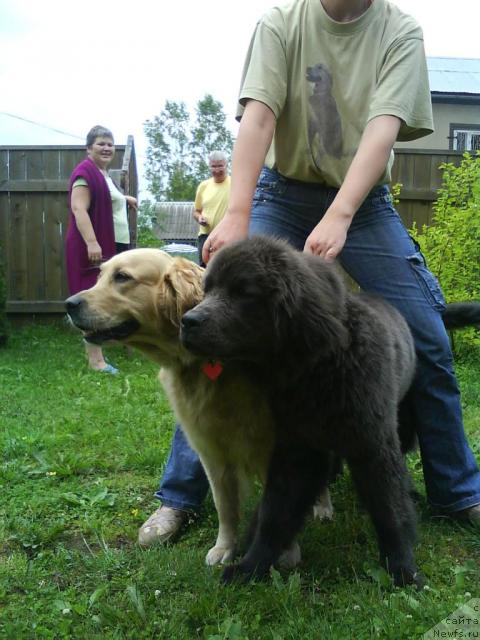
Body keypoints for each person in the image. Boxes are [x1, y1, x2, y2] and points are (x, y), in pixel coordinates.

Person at [138, 0, 480, 547]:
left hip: (365, 205)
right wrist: (241, 213)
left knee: (429, 332)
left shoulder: (400, 31)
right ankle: (179, 498)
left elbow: (383, 127)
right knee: (213, 333)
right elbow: (260, 115)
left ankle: (458, 491)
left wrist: (341, 213)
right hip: (281, 192)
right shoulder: (282, 22)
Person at [65, 125, 137, 374]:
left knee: (110, 295)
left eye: (110, 144)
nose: (107, 148)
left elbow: (107, 199)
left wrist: (125, 199)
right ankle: (96, 361)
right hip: (92, 246)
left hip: (111, 244)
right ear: (88, 149)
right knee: (90, 299)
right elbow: (79, 208)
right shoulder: (85, 173)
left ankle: (109, 347)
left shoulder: (103, 175)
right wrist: (92, 242)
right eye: (101, 144)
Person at [192, 151, 230, 267]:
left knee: (225, 269)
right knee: (204, 270)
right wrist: (200, 218)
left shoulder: (235, 184)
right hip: (205, 235)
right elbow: (196, 211)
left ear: (226, 165)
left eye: (220, 166)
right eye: (213, 166)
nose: (217, 170)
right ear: (209, 166)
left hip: (226, 235)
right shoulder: (203, 186)